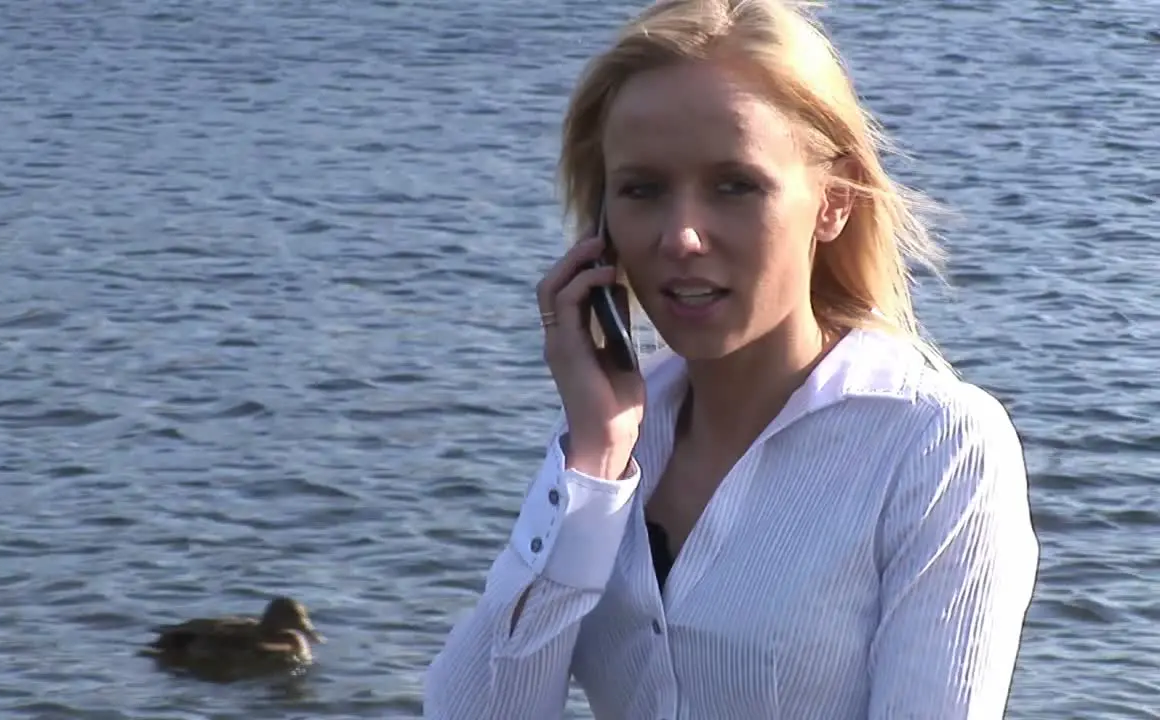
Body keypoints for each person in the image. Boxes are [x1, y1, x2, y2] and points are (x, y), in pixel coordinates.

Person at [423, 0, 1040, 717]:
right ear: (602, 226)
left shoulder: (936, 447)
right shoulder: (613, 437)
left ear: (833, 201)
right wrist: (591, 464)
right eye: (642, 190)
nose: (682, 235)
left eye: (734, 185)